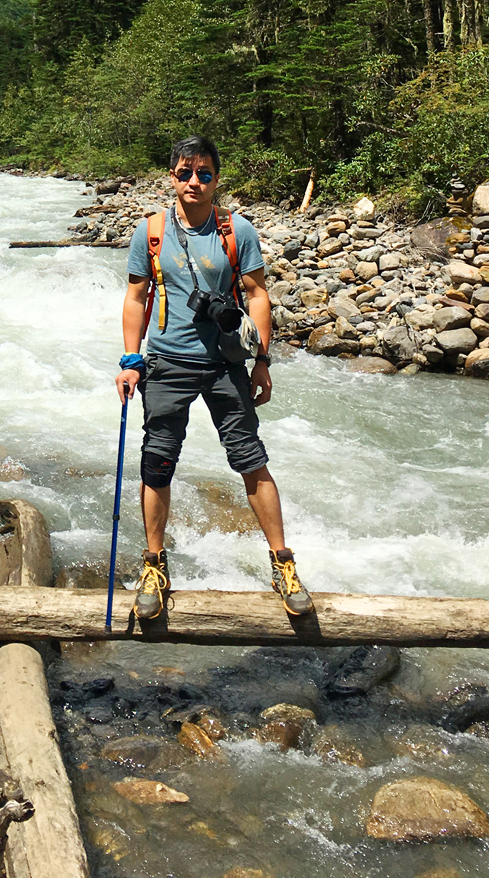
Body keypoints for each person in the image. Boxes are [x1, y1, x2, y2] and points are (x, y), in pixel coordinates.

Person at [114, 134, 312, 620]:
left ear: (216, 179)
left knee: (251, 460)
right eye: (185, 173)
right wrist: (129, 360)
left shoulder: (236, 229)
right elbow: (136, 298)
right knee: (157, 465)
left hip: (226, 365)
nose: (194, 182)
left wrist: (262, 359)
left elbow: (258, 294)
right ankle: (155, 565)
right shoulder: (152, 231)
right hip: (167, 364)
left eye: (204, 173)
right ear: (172, 177)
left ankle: (283, 563)